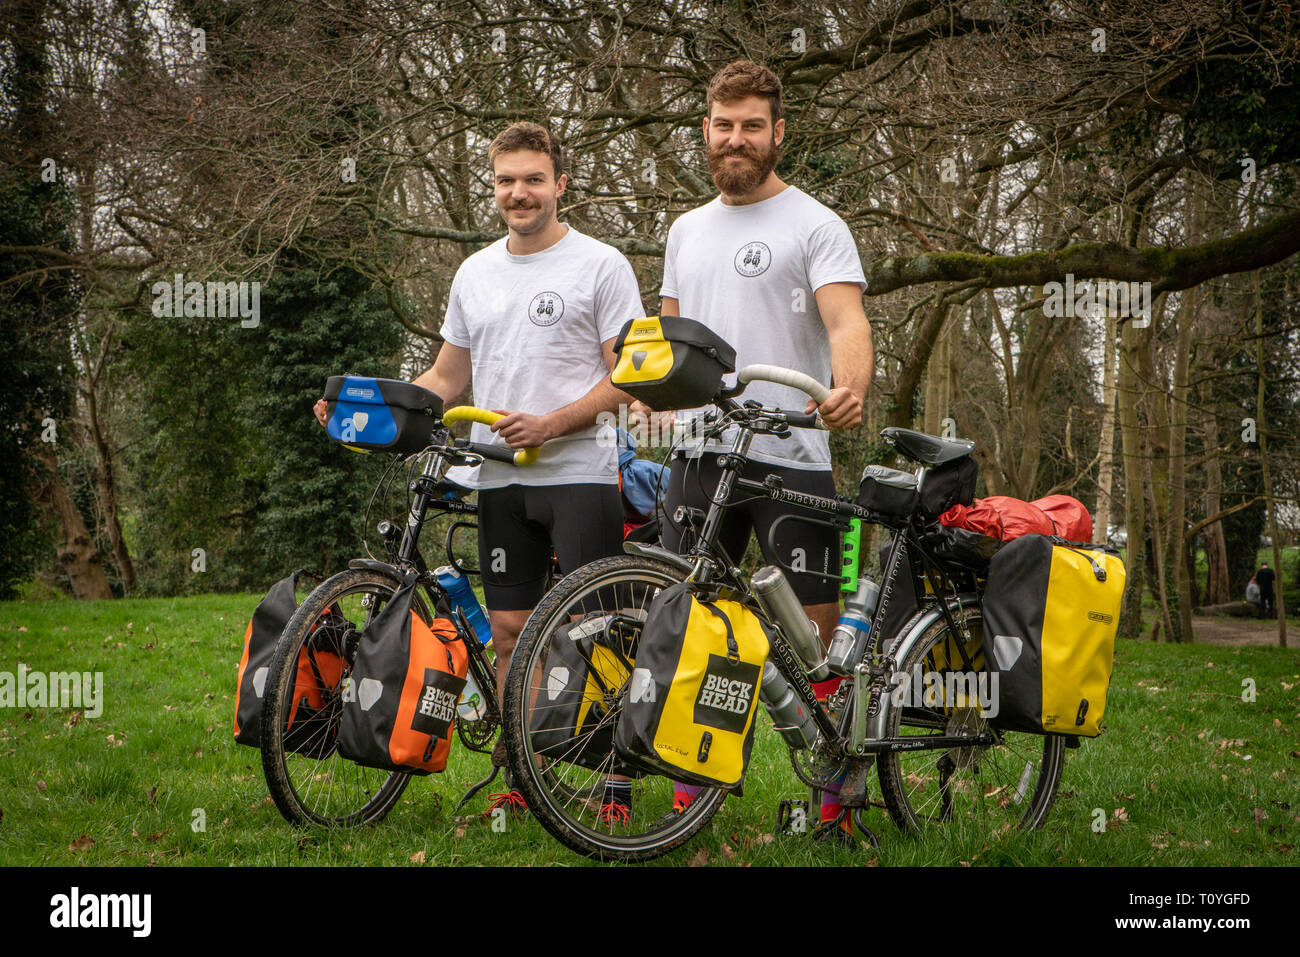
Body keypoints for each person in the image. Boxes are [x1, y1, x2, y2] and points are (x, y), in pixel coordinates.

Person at [314, 121, 644, 814]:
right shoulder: (475, 272)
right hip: (498, 477)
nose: (518, 193)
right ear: (492, 186)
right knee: (513, 633)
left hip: (580, 473)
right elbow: (445, 375)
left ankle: (613, 784)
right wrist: (366, 412)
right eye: (505, 180)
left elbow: (629, 376)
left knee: (597, 627)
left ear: (560, 183)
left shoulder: (602, 264)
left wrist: (552, 423)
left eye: (532, 178)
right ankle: (528, 779)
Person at [639, 60, 873, 840]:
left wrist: (848, 387)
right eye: (722, 124)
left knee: (813, 636)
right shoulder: (685, 229)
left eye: (751, 125)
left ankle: (839, 799)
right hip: (701, 454)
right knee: (684, 620)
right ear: (705, 130)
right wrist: (646, 398)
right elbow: (668, 340)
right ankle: (689, 798)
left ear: (778, 133)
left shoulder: (815, 223)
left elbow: (846, 323)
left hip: (791, 455)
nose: (734, 139)